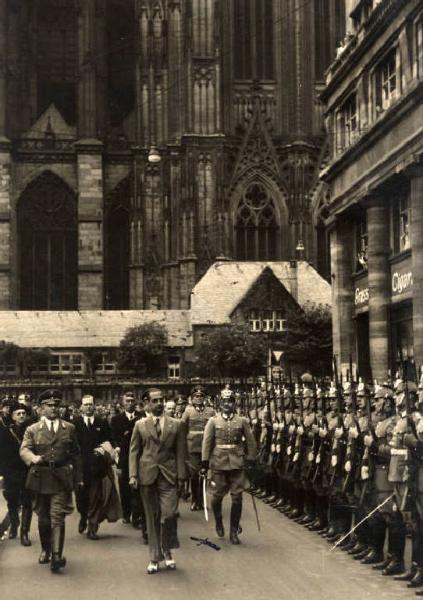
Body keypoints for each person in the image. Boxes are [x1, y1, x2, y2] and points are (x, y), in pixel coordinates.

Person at [20, 389, 83, 572]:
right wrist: (33, 458)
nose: (54, 408)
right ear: (40, 409)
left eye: (57, 405)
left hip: (61, 477)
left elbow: (76, 454)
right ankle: (46, 550)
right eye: (49, 405)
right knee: (43, 517)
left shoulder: (69, 428)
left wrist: (78, 478)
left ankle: (57, 555)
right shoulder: (32, 429)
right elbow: (24, 449)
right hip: (40, 477)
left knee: (57, 516)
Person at [129, 388, 187, 574]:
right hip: (147, 475)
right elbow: (134, 451)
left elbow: (180, 452)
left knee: (169, 514)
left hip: (169, 475)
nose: (160, 403)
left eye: (162, 400)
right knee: (152, 518)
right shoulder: (140, 425)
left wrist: (182, 475)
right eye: (155, 401)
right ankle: (155, 557)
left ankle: (168, 550)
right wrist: (133, 475)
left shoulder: (176, 424)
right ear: (147, 403)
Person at [201, 387, 257, 544]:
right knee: (216, 497)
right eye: (224, 401)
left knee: (237, 498)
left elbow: (251, 442)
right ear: (220, 404)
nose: (227, 404)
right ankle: (219, 521)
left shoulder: (242, 421)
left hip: (237, 463)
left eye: (230, 401)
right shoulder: (213, 421)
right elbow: (207, 443)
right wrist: (204, 463)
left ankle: (233, 531)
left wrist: (251, 459)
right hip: (218, 463)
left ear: (234, 403)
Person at [73, 394, 113, 540]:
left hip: (97, 467)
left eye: (91, 404)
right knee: (81, 498)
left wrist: (102, 450)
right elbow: (71, 444)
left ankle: (92, 527)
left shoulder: (102, 423)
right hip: (81, 468)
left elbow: (109, 441)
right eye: (86, 404)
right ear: (81, 407)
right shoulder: (75, 424)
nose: (89, 407)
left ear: (94, 406)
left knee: (95, 498)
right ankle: (83, 516)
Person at [111, 391, 147, 542]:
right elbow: (113, 438)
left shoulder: (142, 417)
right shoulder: (116, 419)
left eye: (132, 400)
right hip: (123, 457)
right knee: (124, 486)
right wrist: (117, 449)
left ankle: (137, 516)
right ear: (122, 403)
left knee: (137, 487)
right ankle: (126, 512)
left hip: (139, 457)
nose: (130, 403)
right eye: (127, 401)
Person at [0, 400, 33, 545]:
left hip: (27, 471)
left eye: (23, 413)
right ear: (12, 416)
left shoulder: (32, 431)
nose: (21, 416)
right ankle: (14, 523)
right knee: (12, 499)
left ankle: (24, 532)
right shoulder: (4, 432)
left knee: (27, 502)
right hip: (11, 472)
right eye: (18, 414)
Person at [181, 385, 215, 511]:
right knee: (194, 475)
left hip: (206, 448)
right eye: (196, 396)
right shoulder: (188, 411)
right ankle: (195, 500)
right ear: (192, 398)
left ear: (204, 398)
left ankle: (201, 500)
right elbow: (182, 429)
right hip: (192, 447)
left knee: (204, 474)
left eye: (201, 396)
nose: (199, 398)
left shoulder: (210, 411)